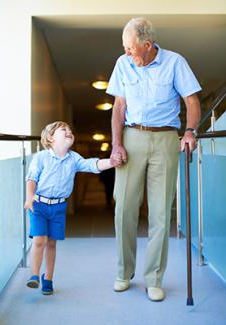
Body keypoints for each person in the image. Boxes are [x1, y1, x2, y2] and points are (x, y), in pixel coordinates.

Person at [107, 17, 201, 301]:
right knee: (123, 208)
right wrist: (116, 144)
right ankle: (124, 273)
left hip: (164, 138)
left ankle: (154, 278)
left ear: (147, 45)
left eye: (131, 48)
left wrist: (189, 131)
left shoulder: (175, 62)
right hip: (132, 137)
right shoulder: (123, 65)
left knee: (160, 212)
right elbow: (119, 106)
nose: (127, 53)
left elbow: (192, 101)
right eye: (124, 48)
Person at [24, 121, 121, 295]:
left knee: (52, 244)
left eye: (70, 130)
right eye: (64, 130)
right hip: (38, 205)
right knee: (39, 240)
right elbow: (32, 178)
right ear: (50, 138)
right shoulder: (41, 157)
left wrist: (112, 162)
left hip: (59, 207)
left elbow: (92, 165)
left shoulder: (74, 158)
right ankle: (34, 275)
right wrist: (30, 196)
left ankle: (48, 279)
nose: (69, 132)